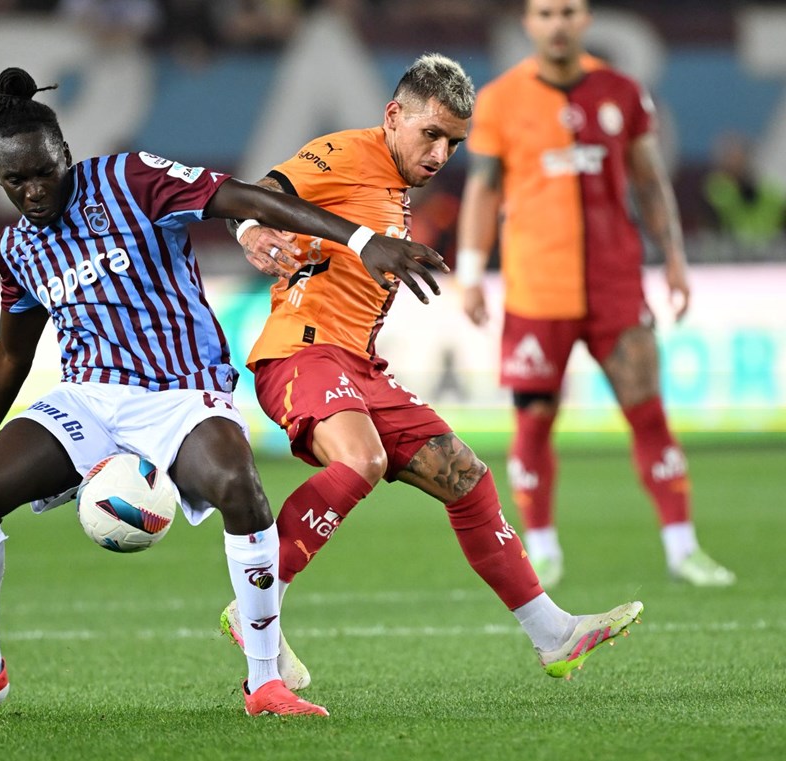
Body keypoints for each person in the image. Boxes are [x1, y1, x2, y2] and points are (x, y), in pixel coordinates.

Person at [0, 66, 449, 720]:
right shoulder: (19, 247)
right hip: (89, 397)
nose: (34, 191)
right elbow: (13, 349)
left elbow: (243, 198)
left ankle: (265, 682)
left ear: (67, 152)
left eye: (45, 171)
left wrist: (359, 237)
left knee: (241, 488)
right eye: (16, 181)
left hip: (182, 390)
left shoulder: (129, 180)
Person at [219, 52, 643, 693]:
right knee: (358, 459)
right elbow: (263, 193)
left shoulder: (395, 187)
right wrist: (251, 226)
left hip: (356, 365)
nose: (442, 153)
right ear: (393, 116)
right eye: (431, 134)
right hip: (300, 352)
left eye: (454, 142)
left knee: (466, 478)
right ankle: (256, 602)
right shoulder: (344, 152)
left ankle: (553, 633)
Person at [455, 0, 735, 589]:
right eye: (545, 13)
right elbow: (483, 190)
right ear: (528, 24)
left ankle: (683, 547)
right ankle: (542, 547)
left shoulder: (623, 92)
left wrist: (676, 259)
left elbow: (651, 183)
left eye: (569, 12)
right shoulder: (502, 100)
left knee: (649, 413)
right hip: (537, 289)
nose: (557, 23)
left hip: (616, 286)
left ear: (586, 20)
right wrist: (473, 270)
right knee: (532, 424)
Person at [702, 131, 786, 252]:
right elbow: (710, 231)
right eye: (729, 159)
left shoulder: (772, 196)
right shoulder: (715, 193)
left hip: (770, 257)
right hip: (728, 258)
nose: (734, 164)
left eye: (738, 158)